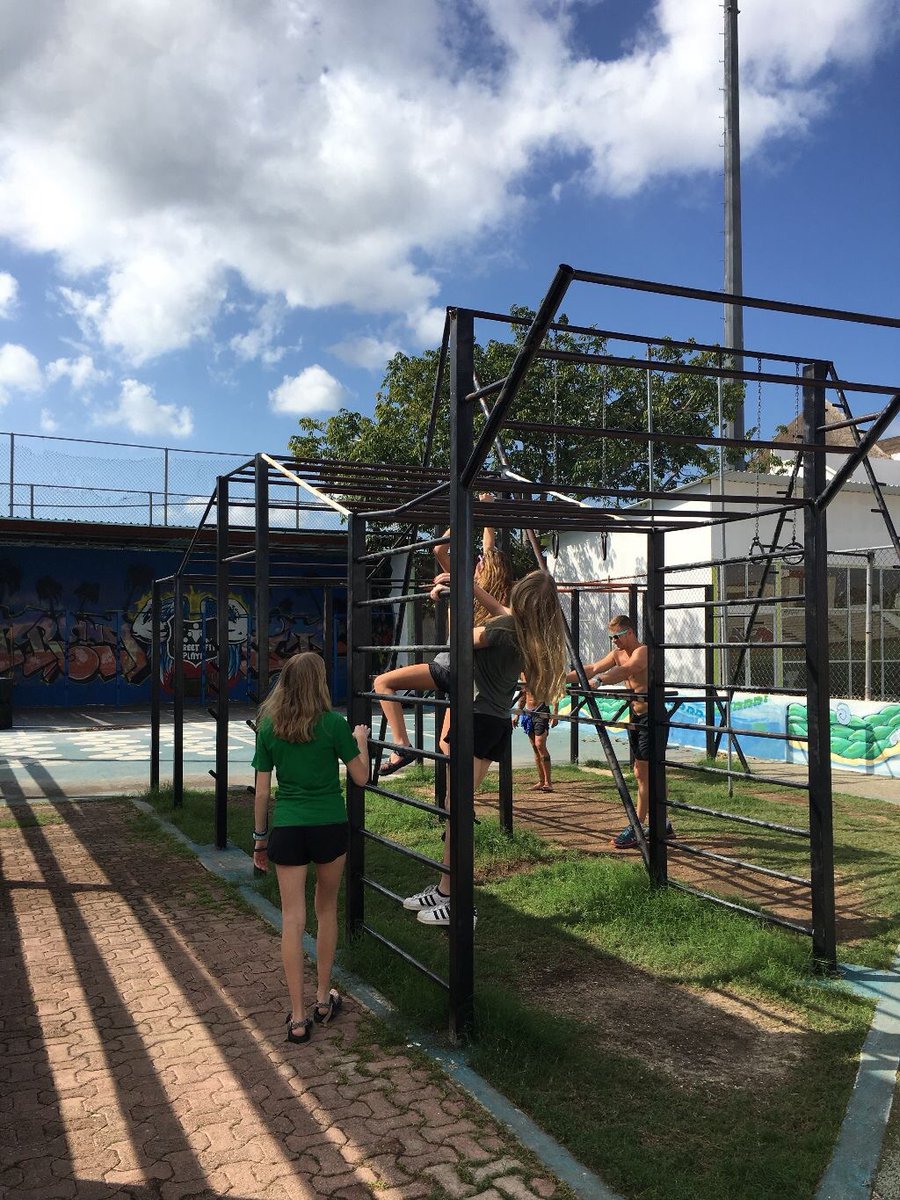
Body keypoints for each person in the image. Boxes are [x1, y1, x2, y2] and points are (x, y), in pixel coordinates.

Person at [401, 568, 567, 926]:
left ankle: (461, 903)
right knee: (453, 804)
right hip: (486, 721)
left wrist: (448, 601)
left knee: (458, 808)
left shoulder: (508, 628)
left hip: (479, 720)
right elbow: (498, 610)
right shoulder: (528, 629)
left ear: (521, 597)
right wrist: (467, 586)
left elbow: (463, 639)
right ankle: (446, 889)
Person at [251, 652, 370, 1044]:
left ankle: (299, 1018)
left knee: (292, 920)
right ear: (318, 683)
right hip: (330, 826)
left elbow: (264, 791)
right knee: (326, 910)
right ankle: (323, 999)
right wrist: (361, 741)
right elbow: (361, 777)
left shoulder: (269, 726)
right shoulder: (334, 725)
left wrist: (259, 840)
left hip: (288, 828)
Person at [374, 501, 512, 776]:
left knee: (383, 682)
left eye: (480, 563)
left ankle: (402, 745)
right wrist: (483, 513)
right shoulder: (496, 596)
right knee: (446, 744)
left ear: (485, 570)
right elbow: (488, 545)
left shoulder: (471, 587)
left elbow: (439, 548)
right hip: (473, 677)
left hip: (451, 666)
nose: (476, 563)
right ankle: (461, 797)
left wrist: (469, 505)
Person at [573, 614, 674, 850]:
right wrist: (560, 679)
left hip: (653, 716)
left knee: (647, 772)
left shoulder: (643, 651)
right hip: (636, 716)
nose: (614, 642)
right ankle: (663, 822)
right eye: (611, 638)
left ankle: (639, 824)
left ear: (629, 633)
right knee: (643, 771)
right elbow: (592, 667)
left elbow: (626, 670)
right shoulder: (617, 653)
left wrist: (600, 680)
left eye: (617, 637)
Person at [513, 679, 558, 791]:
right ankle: (542, 781)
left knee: (540, 744)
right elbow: (523, 695)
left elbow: (554, 692)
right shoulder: (524, 674)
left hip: (541, 710)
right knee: (535, 747)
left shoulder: (543, 672)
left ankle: (548, 782)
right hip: (528, 713)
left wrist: (555, 714)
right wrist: (517, 714)